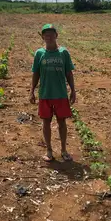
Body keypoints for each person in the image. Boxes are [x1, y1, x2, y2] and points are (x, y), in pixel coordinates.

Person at [30, 24, 76, 162]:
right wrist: (31, 91)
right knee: (46, 122)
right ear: (42, 37)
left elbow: (69, 73)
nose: (49, 37)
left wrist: (73, 90)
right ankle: (49, 150)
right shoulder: (39, 53)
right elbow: (36, 73)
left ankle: (63, 150)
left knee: (62, 122)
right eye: (46, 34)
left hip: (61, 94)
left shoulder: (63, 53)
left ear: (56, 36)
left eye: (51, 34)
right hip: (45, 94)